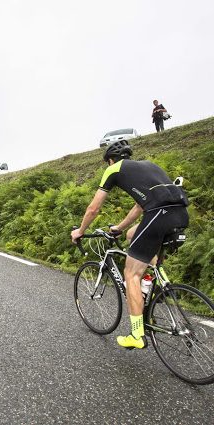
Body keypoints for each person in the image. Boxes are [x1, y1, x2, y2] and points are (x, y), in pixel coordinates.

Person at [70, 140, 189, 349]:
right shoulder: (150, 166)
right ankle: (151, 281)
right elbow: (139, 206)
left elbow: (93, 209)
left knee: (131, 274)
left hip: (158, 216)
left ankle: (136, 334)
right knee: (133, 234)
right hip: (180, 215)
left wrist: (80, 231)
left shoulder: (113, 169)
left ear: (110, 160)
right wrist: (120, 227)